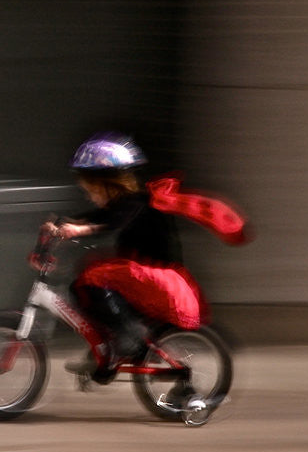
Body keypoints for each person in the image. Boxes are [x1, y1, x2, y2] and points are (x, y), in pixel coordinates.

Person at [43, 133, 208, 385]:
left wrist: (80, 230)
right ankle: (109, 344)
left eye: (91, 190)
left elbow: (112, 223)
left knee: (91, 279)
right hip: (143, 274)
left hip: (158, 277)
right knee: (84, 283)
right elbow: (94, 216)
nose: (89, 196)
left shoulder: (136, 203)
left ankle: (128, 339)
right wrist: (59, 224)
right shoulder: (120, 204)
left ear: (107, 183)